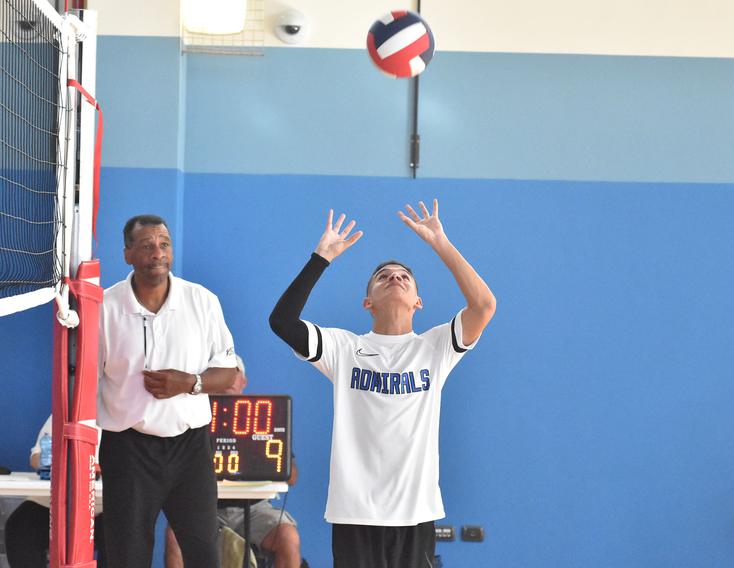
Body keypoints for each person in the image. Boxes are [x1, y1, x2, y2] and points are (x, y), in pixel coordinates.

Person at [269, 200, 495, 568]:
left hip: (415, 512)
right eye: (383, 277)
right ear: (367, 302)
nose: (395, 278)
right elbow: (282, 321)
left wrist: (441, 244)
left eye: (405, 277)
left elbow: (484, 305)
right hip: (355, 513)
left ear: (418, 302)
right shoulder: (344, 348)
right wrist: (320, 258)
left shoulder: (434, 348)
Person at [98, 214, 237, 567]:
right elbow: (83, 382)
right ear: (128, 254)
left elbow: (228, 373)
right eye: (146, 246)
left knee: (204, 552)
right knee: (126, 555)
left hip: (190, 447)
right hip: (128, 448)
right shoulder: (104, 307)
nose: (157, 253)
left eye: (164, 244)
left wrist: (189, 383)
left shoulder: (202, 301)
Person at [164, 355, 304, 568]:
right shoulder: (194, 418)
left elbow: (291, 476)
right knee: (175, 535)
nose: (228, 378)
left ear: (243, 381)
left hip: (256, 509)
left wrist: (265, 463)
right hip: (204, 507)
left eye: (234, 372)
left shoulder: (261, 419)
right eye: (220, 373)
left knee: (288, 536)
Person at [4, 416, 106, 567]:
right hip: (55, 503)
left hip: (103, 504)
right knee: (20, 527)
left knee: (122, 535)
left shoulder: (117, 418)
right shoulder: (64, 413)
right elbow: (36, 457)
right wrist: (56, 463)